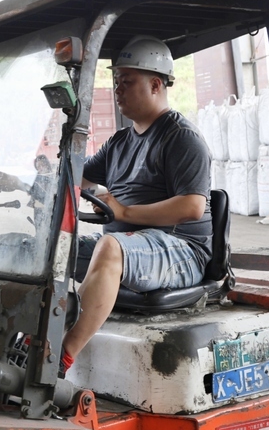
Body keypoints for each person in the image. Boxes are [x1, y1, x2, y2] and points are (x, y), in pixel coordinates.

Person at [61, 36, 212, 375]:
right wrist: (26, 179)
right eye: (116, 82)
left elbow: (192, 206)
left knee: (109, 247)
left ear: (156, 85)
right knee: (51, 249)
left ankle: (59, 358)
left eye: (126, 82)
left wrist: (123, 212)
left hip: (181, 251)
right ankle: (32, 338)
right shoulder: (119, 142)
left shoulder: (181, 138)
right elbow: (76, 177)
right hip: (131, 247)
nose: (117, 90)